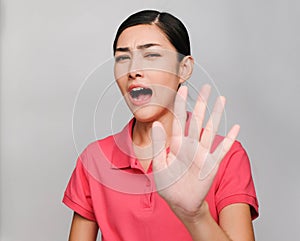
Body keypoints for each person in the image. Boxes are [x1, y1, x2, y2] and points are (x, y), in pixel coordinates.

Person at [63, 9, 259, 241]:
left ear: (184, 68)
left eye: (152, 55)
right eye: (123, 58)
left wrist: (196, 216)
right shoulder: (94, 159)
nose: (134, 71)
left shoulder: (226, 157)